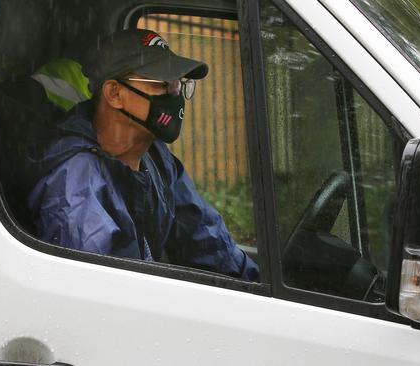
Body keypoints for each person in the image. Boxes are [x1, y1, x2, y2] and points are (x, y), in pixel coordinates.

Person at [27, 29, 259, 281]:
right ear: (115, 94)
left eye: (179, 84)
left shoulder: (156, 157)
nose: (175, 95)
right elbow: (116, 292)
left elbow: (206, 239)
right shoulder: (75, 182)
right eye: (162, 84)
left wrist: (257, 291)